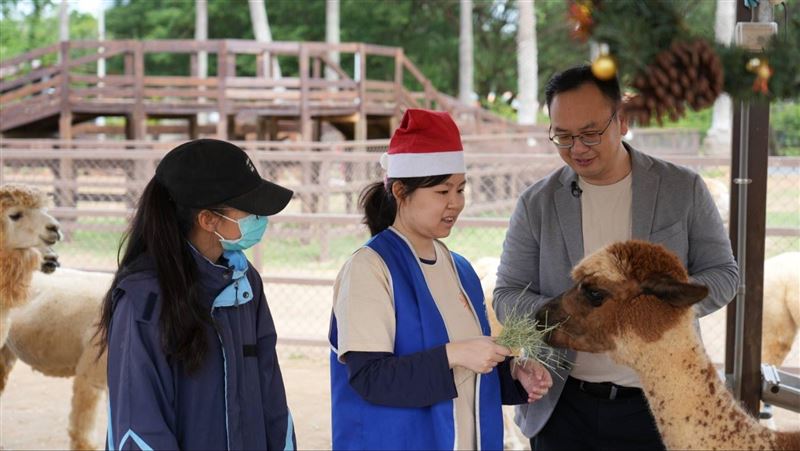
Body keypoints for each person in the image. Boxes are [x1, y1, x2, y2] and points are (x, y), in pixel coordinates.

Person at [493, 65, 739, 450]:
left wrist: (654, 309)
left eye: (590, 134)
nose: (577, 149)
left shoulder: (681, 188)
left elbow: (724, 274)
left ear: (622, 121)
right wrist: (564, 315)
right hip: (562, 406)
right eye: (563, 136)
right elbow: (507, 296)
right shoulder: (536, 204)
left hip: (661, 403)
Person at [328, 108, 553, 451]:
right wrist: (454, 353)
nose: (455, 204)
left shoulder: (460, 269)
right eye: (441, 192)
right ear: (401, 191)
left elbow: (467, 368)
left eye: (461, 190)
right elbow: (370, 378)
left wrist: (512, 376)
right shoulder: (370, 268)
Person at [97, 139, 297, 450]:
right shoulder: (143, 301)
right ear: (208, 219)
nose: (260, 219)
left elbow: (270, 391)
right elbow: (139, 425)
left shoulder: (246, 283)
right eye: (250, 209)